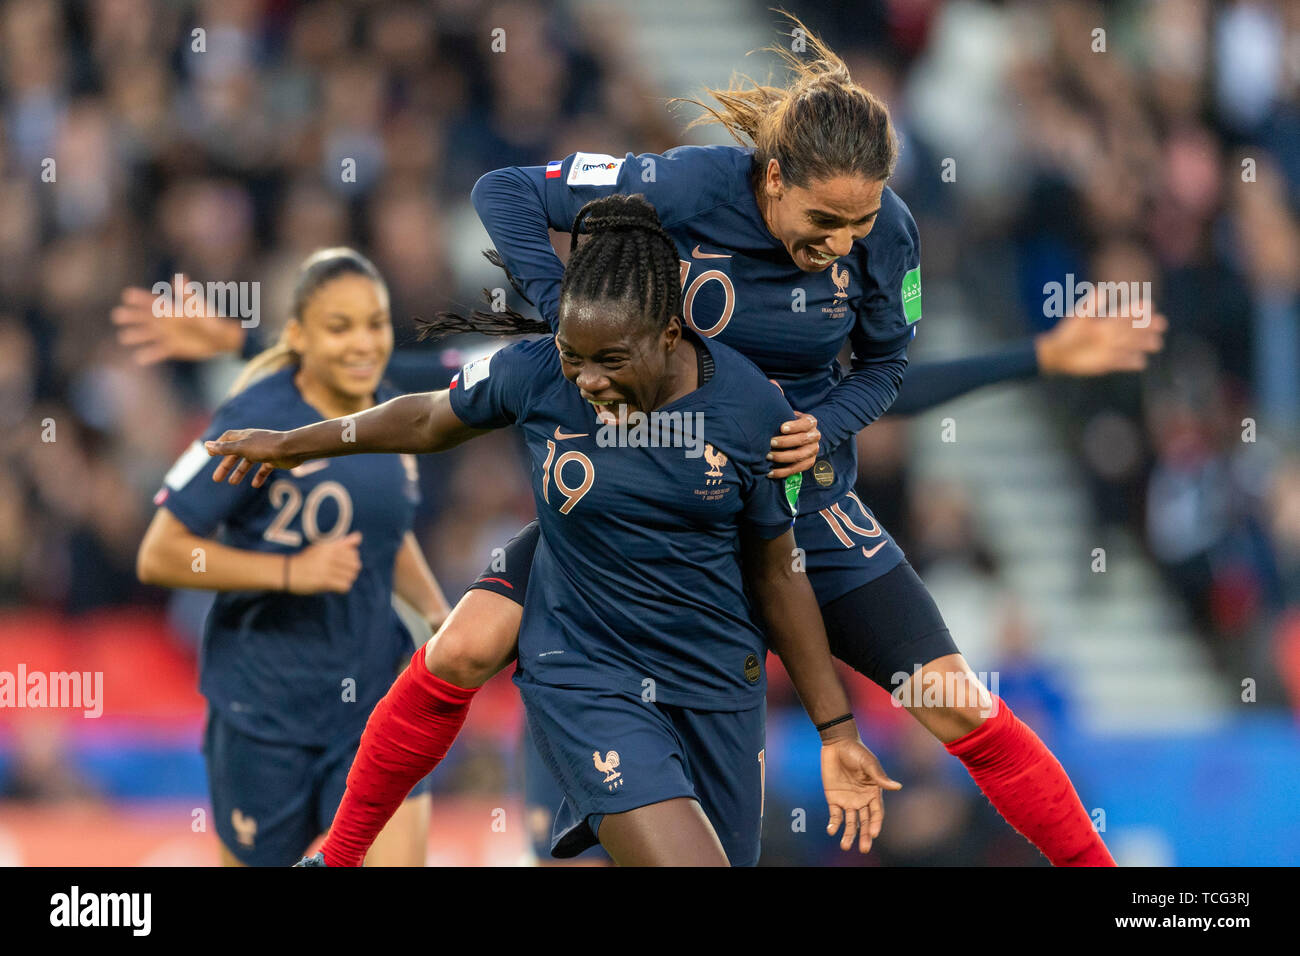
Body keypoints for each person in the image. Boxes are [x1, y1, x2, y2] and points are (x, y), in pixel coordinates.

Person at [301, 14, 1149, 868]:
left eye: (860, 223)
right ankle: (334, 859)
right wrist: (563, 306)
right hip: (651, 506)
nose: (841, 245)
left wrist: (832, 423)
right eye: (824, 219)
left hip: (799, 507)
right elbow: (507, 191)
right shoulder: (687, 185)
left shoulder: (889, 235)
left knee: (958, 702)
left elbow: (890, 365)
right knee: (465, 643)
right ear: (774, 178)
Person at [206, 196, 901, 866]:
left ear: (669, 335)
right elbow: (423, 418)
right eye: (575, 354)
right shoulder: (537, 372)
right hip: (586, 668)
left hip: (714, 681)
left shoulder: (755, 414)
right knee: (462, 649)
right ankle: (340, 855)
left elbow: (779, 572)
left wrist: (835, 729)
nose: (590, 381)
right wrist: (300, 442)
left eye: (612, 361)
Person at [135, 248, 450, 866]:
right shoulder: (252, 419)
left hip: (370, 704)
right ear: (299, 336)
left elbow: (385, 531)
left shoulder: (387, 414)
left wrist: (441, 614)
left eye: (376, 323)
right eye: (341, 327)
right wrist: (288, 572)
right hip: (264, 713)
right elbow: (161, 554)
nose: (364, 343)